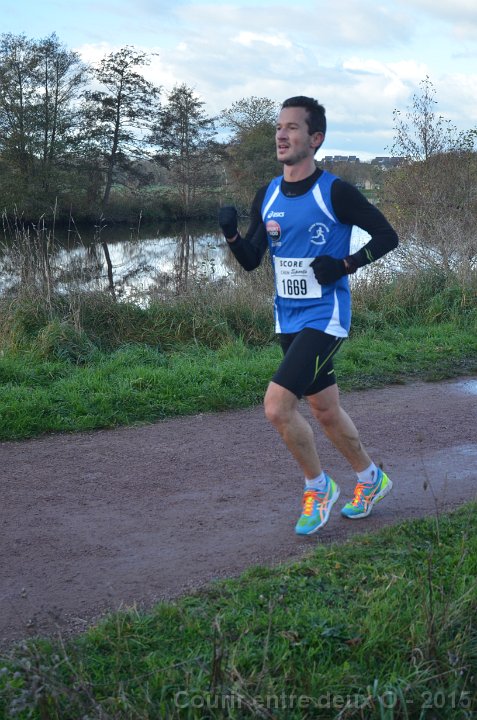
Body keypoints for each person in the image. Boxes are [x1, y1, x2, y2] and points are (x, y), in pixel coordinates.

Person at [218, 96, 399, 536]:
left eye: (293, 128)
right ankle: (371, 479)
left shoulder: (334, 192)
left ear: (315, 139)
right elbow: (252, 260)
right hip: (288, 318)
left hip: (326, 316)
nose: (281, 135)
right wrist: (232, 235)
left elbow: (387, 236)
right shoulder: (268, 194)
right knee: (324, 409)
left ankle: (318, 487)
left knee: (277, 407)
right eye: (279, 127)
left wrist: (344, 265)